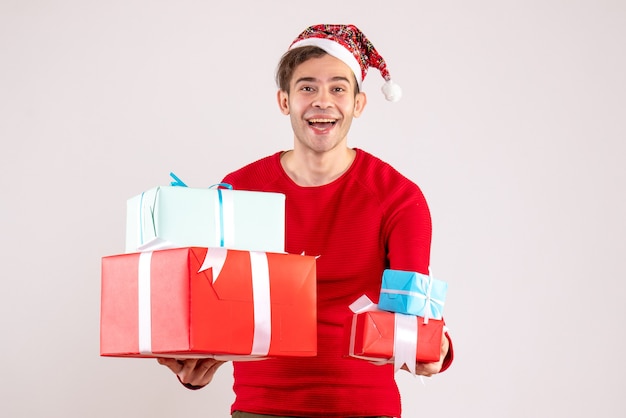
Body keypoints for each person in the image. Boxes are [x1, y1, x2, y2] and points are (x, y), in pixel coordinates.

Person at [158, 24, 454, 418]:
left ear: (359, 103)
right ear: (284, 101)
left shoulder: (398, 198)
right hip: (261, 407)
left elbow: (416, 311)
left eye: (337, 88)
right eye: (307, 87)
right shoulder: (237, 191)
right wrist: (194, 366)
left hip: (365, 408)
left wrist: (437, 349)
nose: (322, 101)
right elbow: (214, 312)